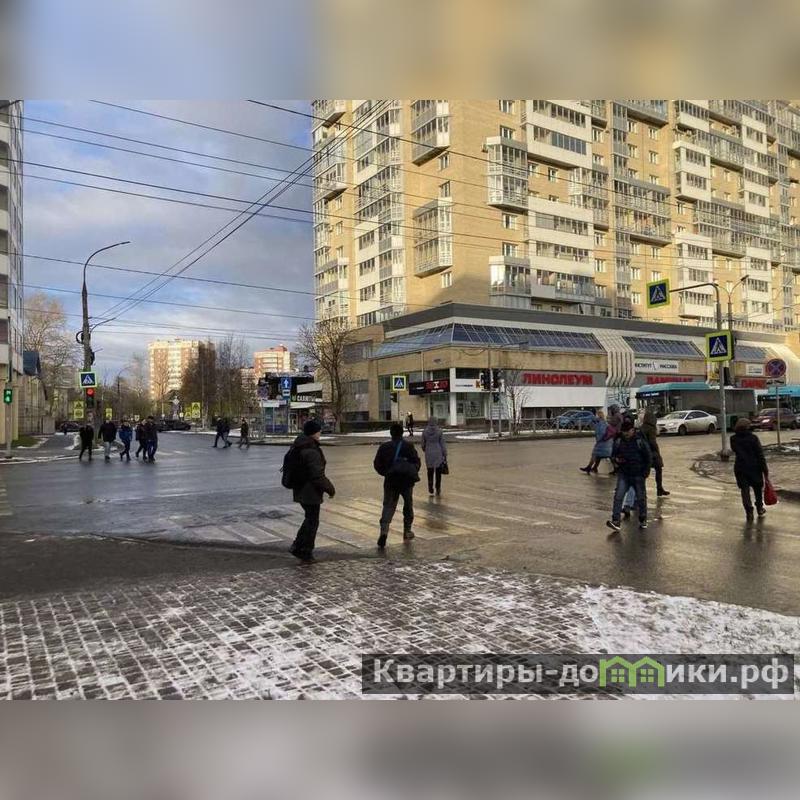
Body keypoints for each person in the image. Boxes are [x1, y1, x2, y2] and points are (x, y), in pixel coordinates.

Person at [288, 419, 335, 563]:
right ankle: (304, 550)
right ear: (313, 433)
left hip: (301, 488)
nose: (320, 433)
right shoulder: (311, 450)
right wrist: (330, 489)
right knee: (312, 521)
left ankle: (298, 546)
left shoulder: (299, 445)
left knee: (310, 519)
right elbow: (317, 475)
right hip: (309, 491)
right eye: (318, 431)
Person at [373, 422, 421, 548]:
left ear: (391, 433)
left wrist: (387, 473)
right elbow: (417, 462)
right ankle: (407, 530)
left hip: (391, 481)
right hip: (406, 481)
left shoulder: (384, 447)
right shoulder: (408, 446)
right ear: (402, 433)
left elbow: (377, 464)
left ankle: (384, 531)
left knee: (388, 506)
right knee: (408, 505)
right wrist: (410, 470)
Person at [607, 419, 652, 533]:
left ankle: (642, 518)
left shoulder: (639, 441)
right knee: (618, 496)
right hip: (624, 473)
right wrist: (616, 461)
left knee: (641, 498)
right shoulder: (619, 441)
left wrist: (645, 472)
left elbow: (648, 457)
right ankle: (616, 520)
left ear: (633, 430)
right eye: (624, 431)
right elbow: (613, 455)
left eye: (628, 431)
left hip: (638, 474)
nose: (626, 433)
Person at [730, 418, 768, 521]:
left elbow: (735, 450)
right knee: (757, 489)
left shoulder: (733, 439)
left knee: (744, 491)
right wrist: (765, 469)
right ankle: (759, 508)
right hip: (754, 467)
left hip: (740, 467)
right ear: (748, 426)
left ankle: (749, 511)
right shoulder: (753, 438)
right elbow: (759, 454)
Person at [640, 408, 669, 497]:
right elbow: (652, 442)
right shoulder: (651, 428)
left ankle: (642, 491)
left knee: (644, 472)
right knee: (658, 469)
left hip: (643, 452)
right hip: (652, 452)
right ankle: (659, 489)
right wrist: (656, 450)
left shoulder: (642, 428)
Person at [581, 409, 614, 474]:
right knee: (607, 455)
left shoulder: (601, 423)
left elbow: (600, 434)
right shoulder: (604, 422)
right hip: (607, 442)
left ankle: (589, 468)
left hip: (602, 443)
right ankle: (592, 467)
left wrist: (598, 440)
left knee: (595, 454)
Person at [421, 417, 448, 496]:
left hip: (428, 452)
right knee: (438, 472)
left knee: (430, 471)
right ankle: (438, 487)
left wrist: (425, 449)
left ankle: (430, 486)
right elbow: (442, 444)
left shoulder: (425, 432)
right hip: (438, 452)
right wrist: (444, 454)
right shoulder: (439, 431)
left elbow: (422, 444)